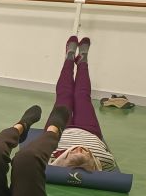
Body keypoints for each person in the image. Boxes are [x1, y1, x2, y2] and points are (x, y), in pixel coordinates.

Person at [49, 36, 118, 172]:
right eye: (84, 153)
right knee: (82, 95)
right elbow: (108, 166)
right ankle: (82, 61)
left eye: (74, 153)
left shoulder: (50, 155)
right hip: (90, 130)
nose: (79, 149)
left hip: (59, 129)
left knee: (64, 95)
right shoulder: (105, 161)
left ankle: (69, 59)